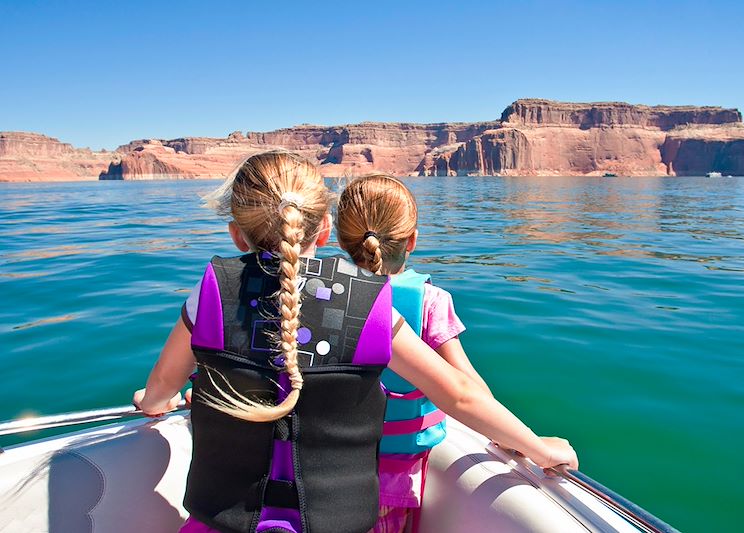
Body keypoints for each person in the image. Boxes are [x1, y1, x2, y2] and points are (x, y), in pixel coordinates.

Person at [133, 151, 578, 533]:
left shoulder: (211, 291)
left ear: (236, 233)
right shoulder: (368, 304)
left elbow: (160, 389)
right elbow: (459, 395)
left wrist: (154, 401)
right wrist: (538, 447)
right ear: (324, 230)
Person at [336, 174, 490, 533]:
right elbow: (467, 388)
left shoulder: (323, 295)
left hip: (329, 466)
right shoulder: (432, 302)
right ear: (412, 240)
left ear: (343, 241)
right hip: (397, 476)